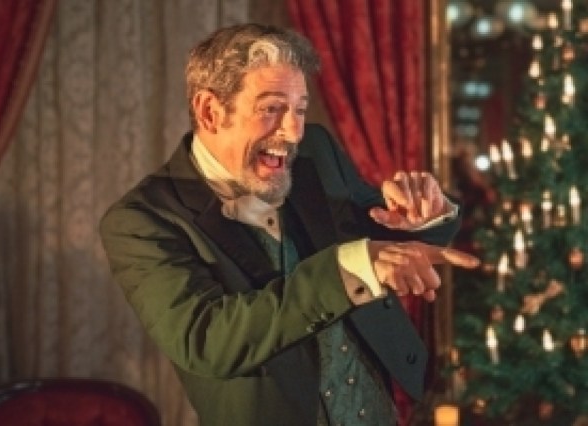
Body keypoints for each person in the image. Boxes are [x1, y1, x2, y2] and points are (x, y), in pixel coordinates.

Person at [100, 23, 479, 426]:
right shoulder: (140, 220)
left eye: (299, 109)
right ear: (210, 111)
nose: (293, 132)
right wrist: (345, 268)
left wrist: (423, 214)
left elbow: (383, 234)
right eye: (272, 109)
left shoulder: (317, 150)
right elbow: (206, 339)